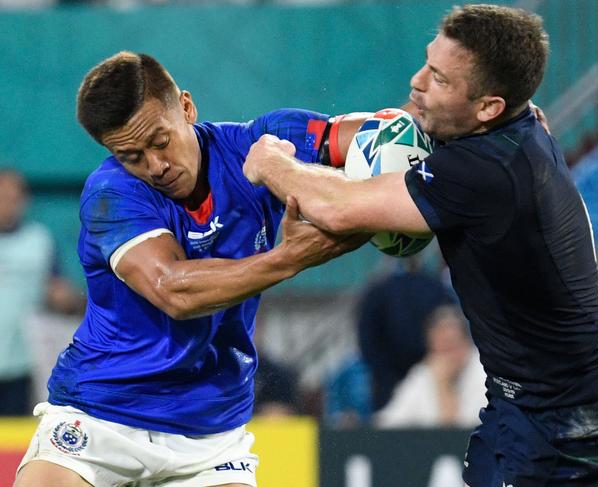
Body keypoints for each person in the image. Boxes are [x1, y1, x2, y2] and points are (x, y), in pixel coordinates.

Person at [243, 4, 598, 486]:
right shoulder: (516, 128)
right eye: (427, 63)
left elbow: (338, 207)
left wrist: (274, 162)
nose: (416, 82)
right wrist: (428, 104)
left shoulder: (484, 173)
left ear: (489, 107)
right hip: (531, 405)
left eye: (438, 78)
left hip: (570, 424)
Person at [14, 51, 368, 487]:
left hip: (210, 429)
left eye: (160, 142)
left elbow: (377, 138)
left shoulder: (262, 146)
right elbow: (174, 291)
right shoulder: (112, 194)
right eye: (131, 155)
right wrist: (290, 257)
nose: (155, 166)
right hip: (101, 415)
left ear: (186, 107)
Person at [0, 169, 84, 415]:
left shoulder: (39, 240)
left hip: (22, 361)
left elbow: (56, 287)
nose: (7, 205)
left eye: (13, 198)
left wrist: (66, 299)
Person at [357, 256, 452, 412]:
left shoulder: (379, 290)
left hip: (403, 379)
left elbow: (367, 340)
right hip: (412, 378)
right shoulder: (437, 288)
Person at [374, 305, 486, 429]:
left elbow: (459, 434)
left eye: (451, 345)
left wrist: (443, 385)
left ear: (467, 344)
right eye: (440, 347)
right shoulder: (423, 373)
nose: (446, 356)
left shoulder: (485, 374)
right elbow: (388, 424)